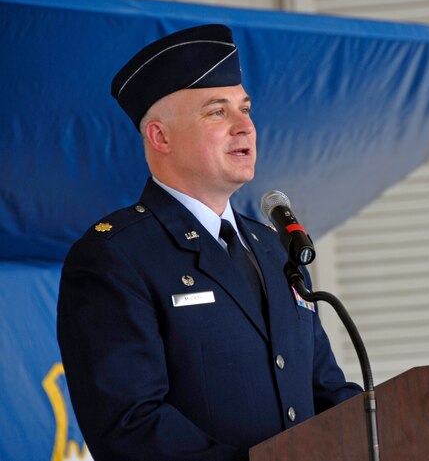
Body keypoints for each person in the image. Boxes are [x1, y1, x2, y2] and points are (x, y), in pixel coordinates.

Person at [57, 24, 361, 461]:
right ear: (160, 137)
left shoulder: (275, 248)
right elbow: (129, 426)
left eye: (246, 108)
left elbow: (325, 390)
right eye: (217, 112)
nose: (246, 127)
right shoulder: (113, 257)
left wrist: (396, 430)